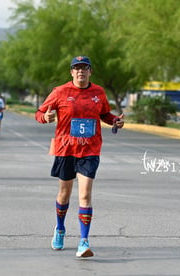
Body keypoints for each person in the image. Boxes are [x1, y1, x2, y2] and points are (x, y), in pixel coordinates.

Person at [35, 56, 124, 258]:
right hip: (66, 149)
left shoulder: (98, 92)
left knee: (85, 195)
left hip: (90, 150)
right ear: (72, 72)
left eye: (85, 68)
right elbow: (40, 113)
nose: (81, 71)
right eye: (77, 68)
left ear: (90, 71)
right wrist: (45, 117)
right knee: (64, 195)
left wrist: (115, 121)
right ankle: (59, 229)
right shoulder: (60, 92)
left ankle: (83, 242)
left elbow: (105, 115)